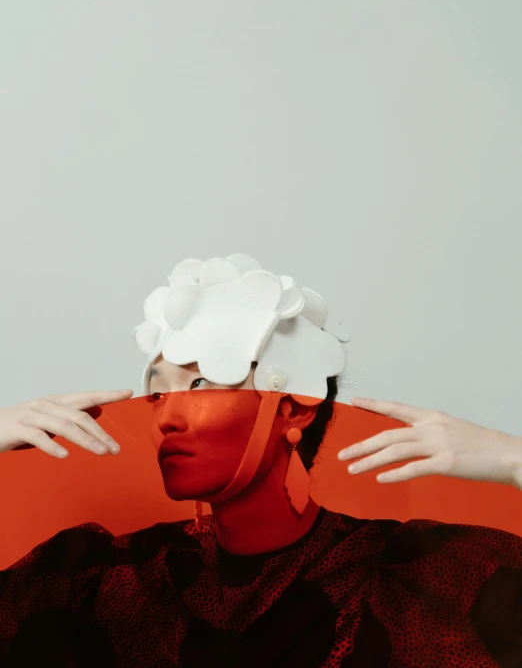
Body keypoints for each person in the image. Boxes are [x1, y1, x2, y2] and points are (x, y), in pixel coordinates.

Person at [1, 253, 522, 668]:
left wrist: (514, 459)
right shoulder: (105, 580)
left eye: (201, 383)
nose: (164, 418)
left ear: (292, 408)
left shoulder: (416, 575)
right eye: (157, 394)